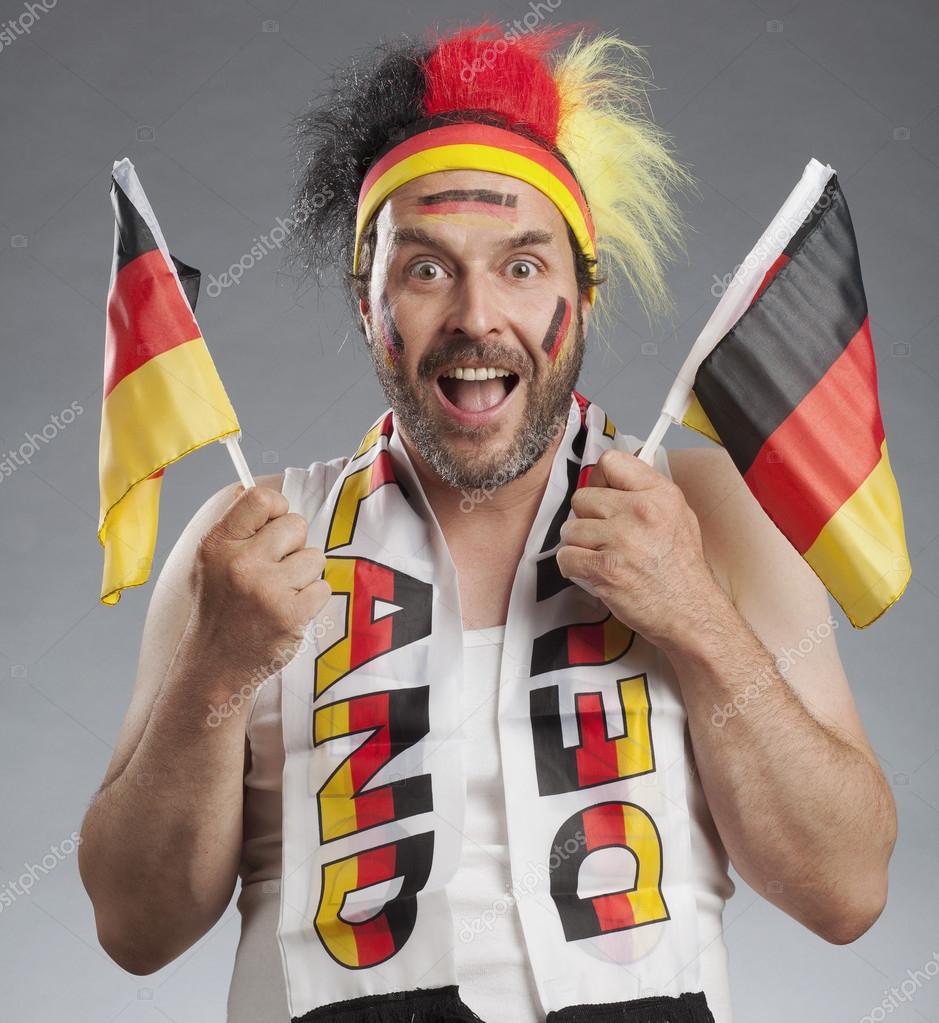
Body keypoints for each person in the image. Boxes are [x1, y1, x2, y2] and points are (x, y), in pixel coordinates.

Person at [78, 23, 897, 1023]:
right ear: (365, 297)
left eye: (521, 267)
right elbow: (133, 926)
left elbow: (847, 889)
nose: (476, 318)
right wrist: (215, 669)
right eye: (425, 270)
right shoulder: (246, 541)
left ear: (582, 291)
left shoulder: (716, 515)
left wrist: (699, 617)